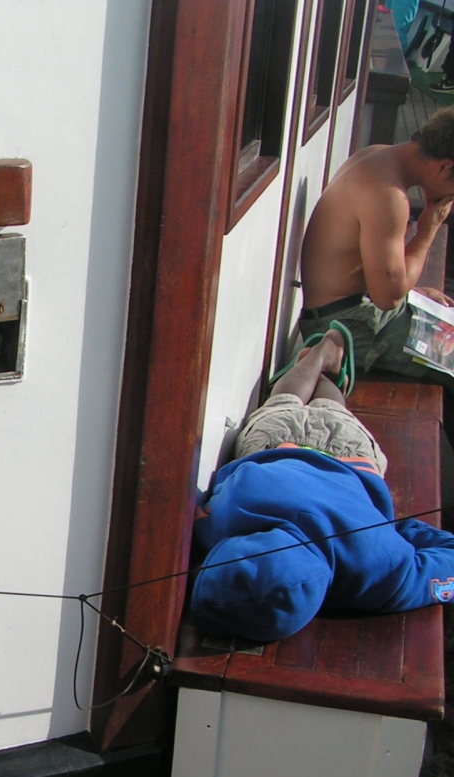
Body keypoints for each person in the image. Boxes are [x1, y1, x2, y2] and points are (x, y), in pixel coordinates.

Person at [191, 324, 454, 645]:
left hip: (349, 459)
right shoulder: (226, 520)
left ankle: (326, 366)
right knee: (283, 403)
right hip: (279, 444)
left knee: (333, 412)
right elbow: (220, 499)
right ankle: (316, 360)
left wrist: (394, 532)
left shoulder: (379, 571)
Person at [297, 108, 454, 385]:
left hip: (348, 309)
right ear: (444, 167)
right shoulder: (388, 196)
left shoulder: (376, 155)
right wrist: (428, 229)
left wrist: (411, 293)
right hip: (346, 327)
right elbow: (388, 298)